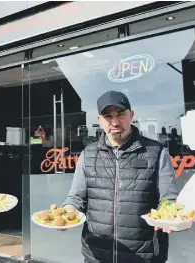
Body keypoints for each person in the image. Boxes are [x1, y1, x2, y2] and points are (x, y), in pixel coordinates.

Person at [61, 91, 180, 263]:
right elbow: (76, 198)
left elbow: (168, 199)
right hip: (96, 255)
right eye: (108, 116)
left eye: (121, 114)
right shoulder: (88, 155)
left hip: (144, 256)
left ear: (131, 115)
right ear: (99, 120)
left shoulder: (156, 152)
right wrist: (67, 213)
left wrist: (170, 217)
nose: (115, 122)